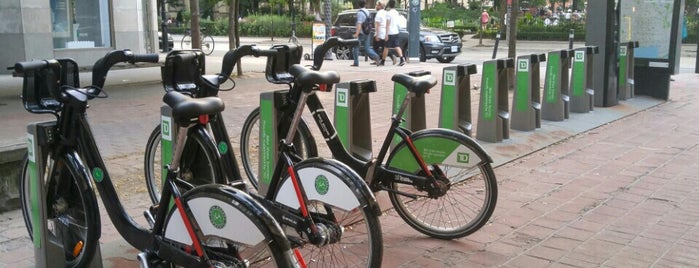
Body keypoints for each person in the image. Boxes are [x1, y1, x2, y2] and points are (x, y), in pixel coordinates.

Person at [352, 0, 381, 67]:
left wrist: (357, 33)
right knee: (367, 48)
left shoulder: (359, 13)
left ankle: (356, 62)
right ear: (365, 5)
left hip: (361, 33)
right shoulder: (367, 12)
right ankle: (376, 56)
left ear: (359, 4)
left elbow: (359, 24)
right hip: (367, 32)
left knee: (355, 47)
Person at [382, 0, 406, 66]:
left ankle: (383, 61)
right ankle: (402, 59)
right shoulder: (396, 13)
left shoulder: (388, 13)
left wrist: (386, 34)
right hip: (396, 31)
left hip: (390, 32)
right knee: (397, 46)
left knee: (386, 47)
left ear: (389, 5)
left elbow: (388, 24)